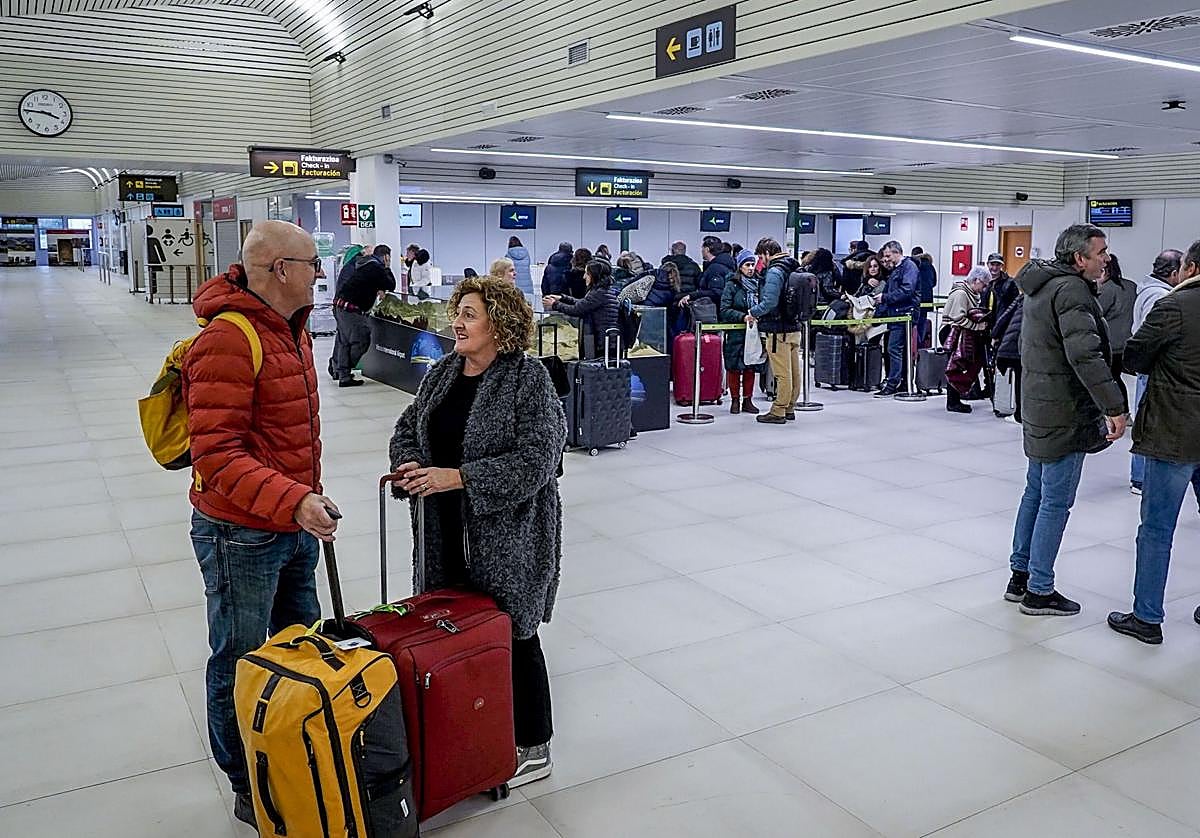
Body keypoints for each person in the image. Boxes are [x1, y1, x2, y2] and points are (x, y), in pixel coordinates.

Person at [184, 220, 341, 829]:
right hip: (239, 534)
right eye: (311, 261)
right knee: (240, 657)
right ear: (281, 270)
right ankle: (246, 780)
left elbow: (284, 435)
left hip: (291, 520)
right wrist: (292, 500)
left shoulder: (292, 330)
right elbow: (216, 456)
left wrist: (305, 500)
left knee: (298, 645)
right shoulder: (229, 338)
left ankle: (290, 745)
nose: (319, 272)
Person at [388, 276, 566, 788]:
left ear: (500, 323)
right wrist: (409, 463)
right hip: (443, 529)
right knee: (454, 630)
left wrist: (460, 477)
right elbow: (407, 427)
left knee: (513, 632)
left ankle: (534, 744)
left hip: (508, 535)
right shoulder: (443, 372)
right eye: (456, 312)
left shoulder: (527, 379)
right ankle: (471, 727)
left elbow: (539, 460)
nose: (456, 322)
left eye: (468, 313)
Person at [1005, 224, 1128, 616]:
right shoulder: (1072, 290)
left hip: (1040, 406)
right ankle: (1040, 590)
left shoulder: (1041, 286)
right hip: (1064, 412)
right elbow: (1085, 356)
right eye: (1100, 252)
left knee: (1035, 494)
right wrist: (1114, 406)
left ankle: (1020, 576)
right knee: (1054, 501)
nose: (1106, 258)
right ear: (1079, 258)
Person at [1105, 243, 1200, 644]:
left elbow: (1134, 359)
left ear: (1189, 267)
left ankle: (1146, 617)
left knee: (1158, 528)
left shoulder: (1174, 307)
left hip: (1173, 432)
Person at [1130, 249, 1184, 494]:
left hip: (1148, 368)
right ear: (1173, 273)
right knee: (1147, 425)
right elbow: (1151, 338)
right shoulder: (1161, 297)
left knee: (1145, 422)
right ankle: (1140, 479)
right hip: (1153, 369)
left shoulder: (1148, 291)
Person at [745, 237, 802, 425]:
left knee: (781, 373)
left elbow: (769, 302)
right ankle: (790, 407)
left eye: (761, 256)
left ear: (767, 253)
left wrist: (753, 312)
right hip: (794, 327)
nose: (760, 261)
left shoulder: (775, 271)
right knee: (794, 371)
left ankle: (778, 410)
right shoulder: (793, 267)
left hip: (778, 330)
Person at [331, 243, 396, 387]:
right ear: (385, 257)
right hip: (352, 309)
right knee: (362, 340)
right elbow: (391, 284)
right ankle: (344, 369)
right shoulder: (376, 267)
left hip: (341, 305)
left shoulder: (363, 263)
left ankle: (343, 375)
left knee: (344, 342)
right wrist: (387, 267)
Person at [544, 259, 620, 359]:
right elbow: (583, 303)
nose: (584, 277)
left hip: (603, 343)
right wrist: (562, 298)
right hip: (606, 341)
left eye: (587, 274)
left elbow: (577, 310)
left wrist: (555, 304)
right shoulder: (602, 291)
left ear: (594, 276)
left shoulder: (599, 293)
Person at [941, 265, 990, 414]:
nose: (984, 288)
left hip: (958, 332)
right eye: (984, 284)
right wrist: (978, 327)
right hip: (952, 332)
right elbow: (958, 318)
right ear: (976, 280)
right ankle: (953, 402)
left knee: (958, 366)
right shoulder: (961, 294)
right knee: (955, 366)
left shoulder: (968, 293)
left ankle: (956, 398)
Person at [873, 241, 920, 397]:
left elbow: (907, 289)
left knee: (894, 349)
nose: (886, 259)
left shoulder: (909, 267)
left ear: (896, 252)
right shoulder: (899, 269)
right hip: (897, 314)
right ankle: (903, 382)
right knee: (901, 350)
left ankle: (893, 383)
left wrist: (885, 298)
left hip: (903, 314)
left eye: (887, 255)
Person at [721, 250, 764, 414]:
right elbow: (724, 309)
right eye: (747, 265)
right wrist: (742, 317)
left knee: (750, 367)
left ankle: (747, 400)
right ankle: (734, 400)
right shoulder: (731, 285)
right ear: (740, 267)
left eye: (753, 264)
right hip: (736, 333)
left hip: (753, 333)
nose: (751, 268)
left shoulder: (759, 284)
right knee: (734, 368)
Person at [1097, 252, 1137, 403]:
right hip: (1127, 341)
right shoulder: (1131, 285)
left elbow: (1096, 314)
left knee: (1111, 379)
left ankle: (1120, 411)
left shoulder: (1106, 289)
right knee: (1117, 377)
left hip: (1110, 344)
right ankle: (1124, 412)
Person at [993, 291, 1024, 423]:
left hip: (1015, 344)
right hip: (1027, 345)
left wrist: (994, 335)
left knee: (1020, 380)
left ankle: (1019, 414)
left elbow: (1005, 316)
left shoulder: (1023, 297)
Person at [688, 236, 737, 309]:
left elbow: (716, 292)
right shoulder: (725, 264)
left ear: (707, 249)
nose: (701, 251)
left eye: (702, 248)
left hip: (714, 311)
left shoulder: (715, 268)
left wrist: (692, 295)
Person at [914, 250, 938, 345]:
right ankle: (920, 346)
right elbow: (934, 283)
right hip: (927, 300)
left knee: (913, 325)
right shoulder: (931, 267)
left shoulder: (915, 266)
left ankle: (915, 345)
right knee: (922, 323)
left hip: (915, 300)